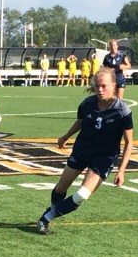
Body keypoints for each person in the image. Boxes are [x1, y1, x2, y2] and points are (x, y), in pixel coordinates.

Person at [36, 67, 133, 235]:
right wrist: (66, 136)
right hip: (82, 150)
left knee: (81, 195)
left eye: (103, 86)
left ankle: (46, 218)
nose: (100, 90)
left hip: (104, 158)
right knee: (60, 188)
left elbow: (129, 142)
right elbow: (80, 122)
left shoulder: (122, 111)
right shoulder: (88, 104)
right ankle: (53, 210)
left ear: (113, 85)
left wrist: (122, 170)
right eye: (97, 86)